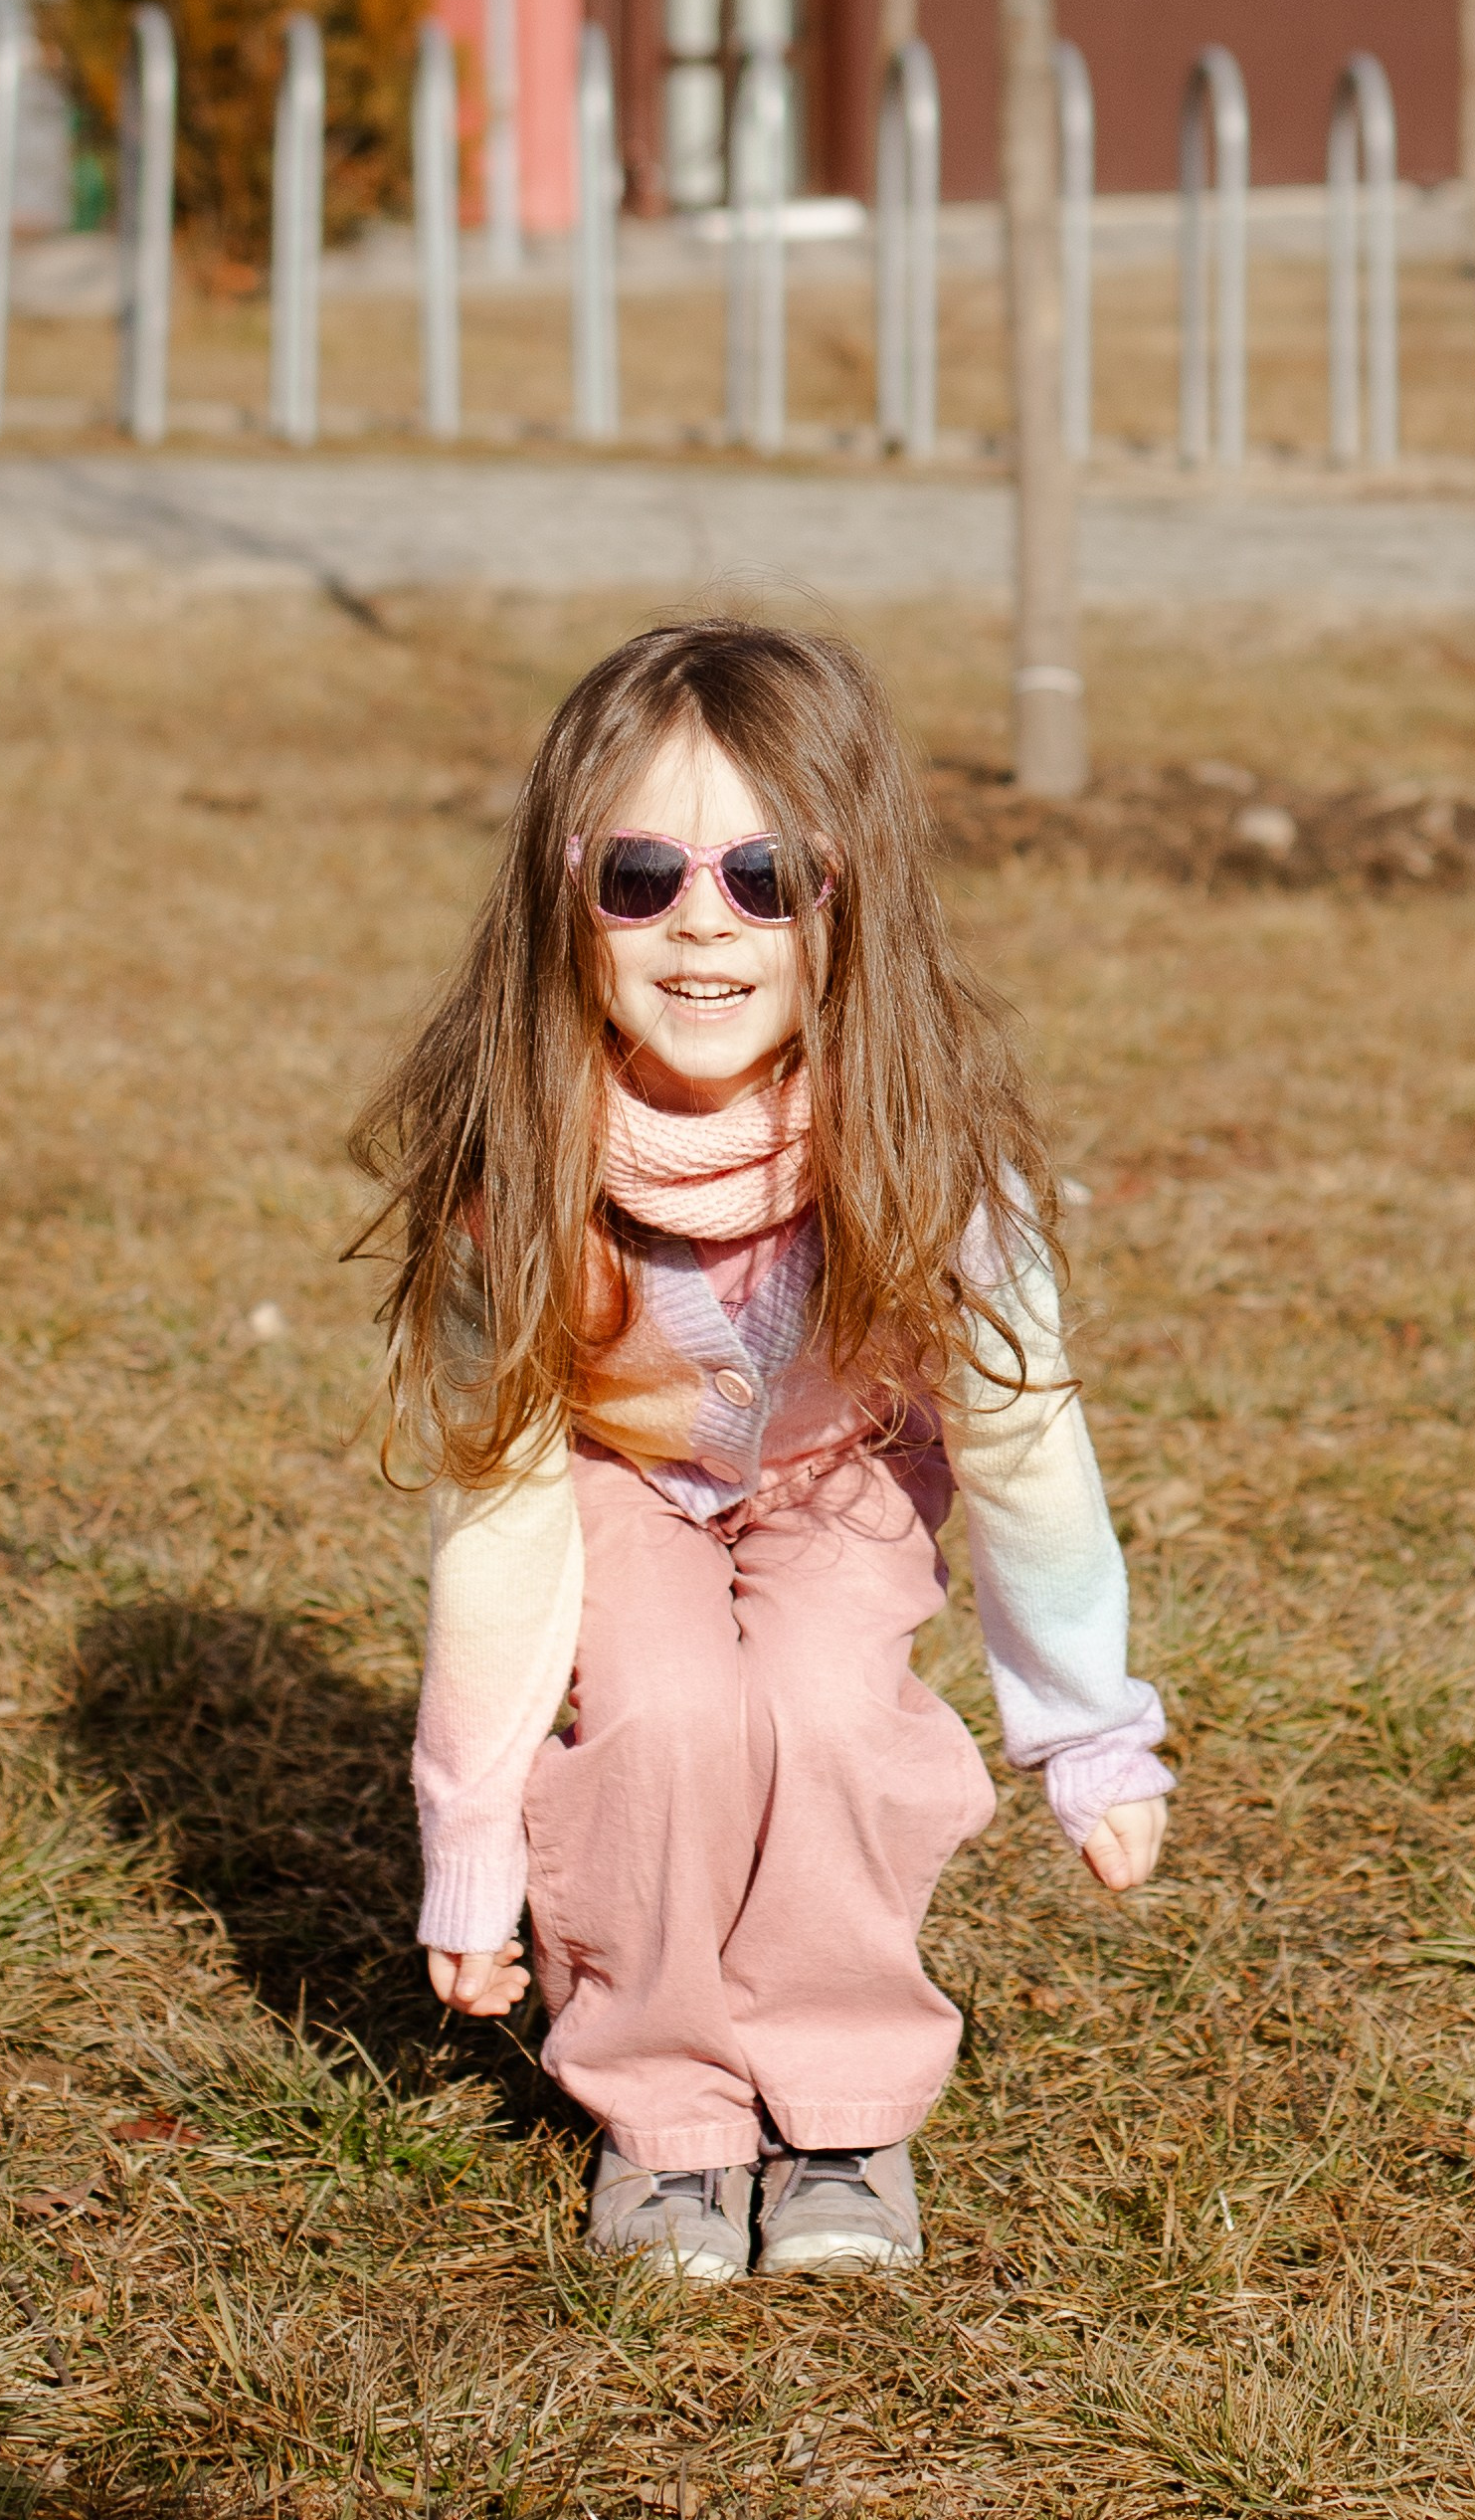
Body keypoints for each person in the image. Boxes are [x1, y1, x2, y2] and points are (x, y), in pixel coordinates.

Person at [348, 619, 1173, 2282]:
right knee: (662, 1721)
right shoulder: (517, 1171)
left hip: (840, 1471)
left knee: (813, 1709)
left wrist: (1087, 1729)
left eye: (768, 874)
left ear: (848, 894)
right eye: (642, 875)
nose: (702, 925)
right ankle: (667, 2119)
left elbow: (1024, 1448)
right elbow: (496, 1514)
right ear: (565, 896)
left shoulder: (930, 1155)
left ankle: (844, 2104)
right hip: (616, 1479)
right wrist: (474, 1826)